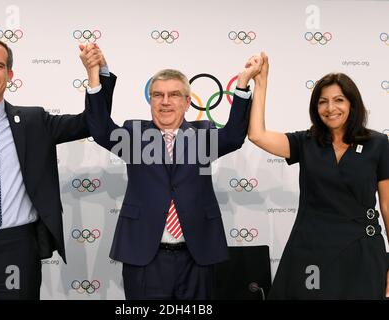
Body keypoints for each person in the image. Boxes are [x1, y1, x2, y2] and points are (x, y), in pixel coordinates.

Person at [80, 47, 262, 299]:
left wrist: (242, 83)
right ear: (150, 100)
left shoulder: (202, 135)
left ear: (188, 102)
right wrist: (94, 74)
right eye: (158, 95)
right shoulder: (134, 135)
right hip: (144, 256)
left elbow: (233, 136)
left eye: (174, 95)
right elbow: (100, 129)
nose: (165, 102)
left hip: (197, 256)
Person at [0, 38, 115, 299]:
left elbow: (91, 123)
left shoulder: (34, 121)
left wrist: (95, 74)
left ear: (9, 74)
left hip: (17, 249)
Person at [248, 52, 389, 299]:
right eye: (323, 101)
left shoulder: (378, 143)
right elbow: (257, 135)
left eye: (339, 100)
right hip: (311, 251)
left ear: (352, 104)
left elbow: (387, 205)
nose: (330, 108)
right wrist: (261, 83)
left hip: (362, 251)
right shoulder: (306, 142)